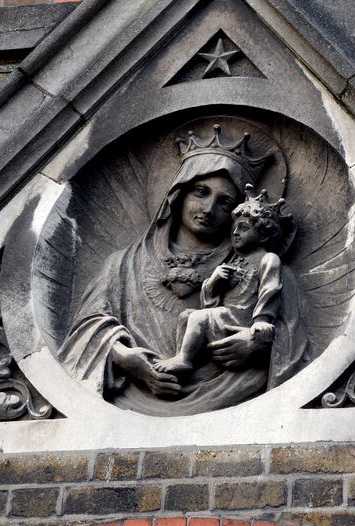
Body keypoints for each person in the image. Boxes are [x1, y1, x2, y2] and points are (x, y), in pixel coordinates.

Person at [56, 124, 310, 416]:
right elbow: (86, 332)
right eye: (200, 192)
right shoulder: (123, 265)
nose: (209, 207)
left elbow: (293, 343)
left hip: (230, 393)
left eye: (225, 201)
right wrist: (125, 358)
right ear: (178, 193)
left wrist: (256, 344)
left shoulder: (260, 264)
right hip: (127, 407)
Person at [154, 185, 292, 375]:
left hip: (242, 317)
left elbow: (270, 290)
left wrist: (260, 321)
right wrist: (214, 282)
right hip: (225, 314)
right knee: (187, 315)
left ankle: (184, 359)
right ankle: (183, 356)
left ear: (263, 234)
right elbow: (209, 304)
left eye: (243, 228)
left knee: (198, 317)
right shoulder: (235, 262)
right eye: (234, 228)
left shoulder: (268, 259)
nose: (235, 233)